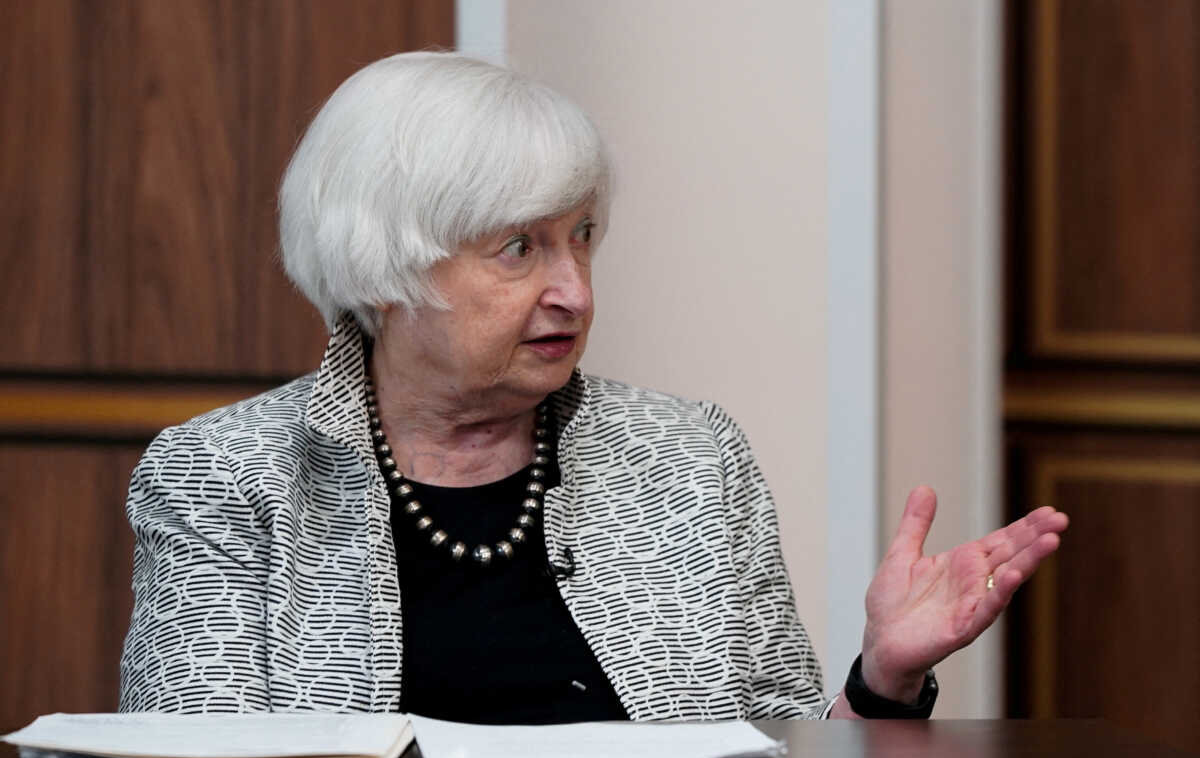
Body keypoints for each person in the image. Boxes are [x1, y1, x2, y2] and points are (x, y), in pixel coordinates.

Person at [118, 52, 1066, 722]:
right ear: (382, 271)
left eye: (581, 236)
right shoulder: (225, 474)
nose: (573, 289)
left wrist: (884, 680)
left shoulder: (690, 458)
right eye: (519, 247)